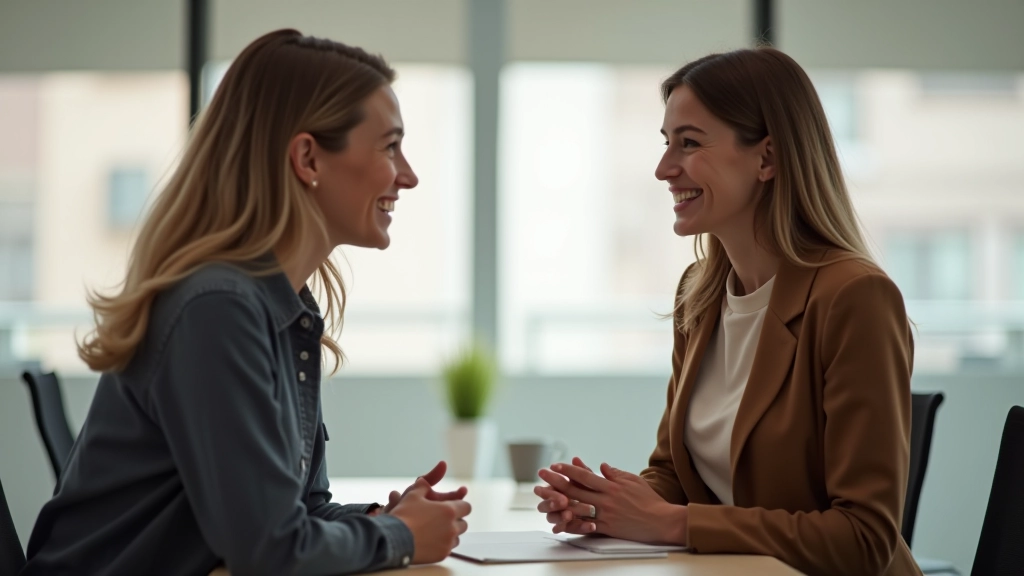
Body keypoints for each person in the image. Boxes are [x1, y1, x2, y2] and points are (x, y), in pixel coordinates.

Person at [22, 29, 471, 576]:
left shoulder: (278, 307)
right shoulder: (217, 308)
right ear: (308, 157)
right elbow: (269, 550)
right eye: (390, 146)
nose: (409, 175)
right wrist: (398, 535)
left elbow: (299, 513)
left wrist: (385, 519)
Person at [534, 47, 922, 576]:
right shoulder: (700, 294)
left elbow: (863, 538)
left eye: (689, 143)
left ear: (767, 158)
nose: (664, 168)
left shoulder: (854, 297)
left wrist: (674, 524)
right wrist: (607, 507)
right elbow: (675, 475)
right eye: (666, 143)